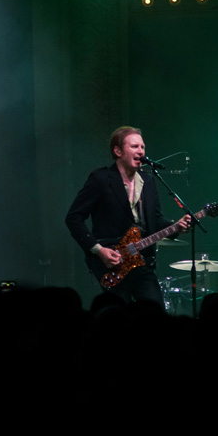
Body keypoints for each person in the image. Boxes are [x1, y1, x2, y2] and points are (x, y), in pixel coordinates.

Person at [65, 126, 190, 307]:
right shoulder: (101, 179)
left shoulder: (147, 180)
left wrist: (175, 227)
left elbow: (155, 220)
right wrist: (98, 250)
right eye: (134, 146)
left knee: (155, 312)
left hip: (142, 261)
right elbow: (73, 218)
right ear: (118, 151)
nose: (140, 151)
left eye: (142, 147)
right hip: (112, 261)